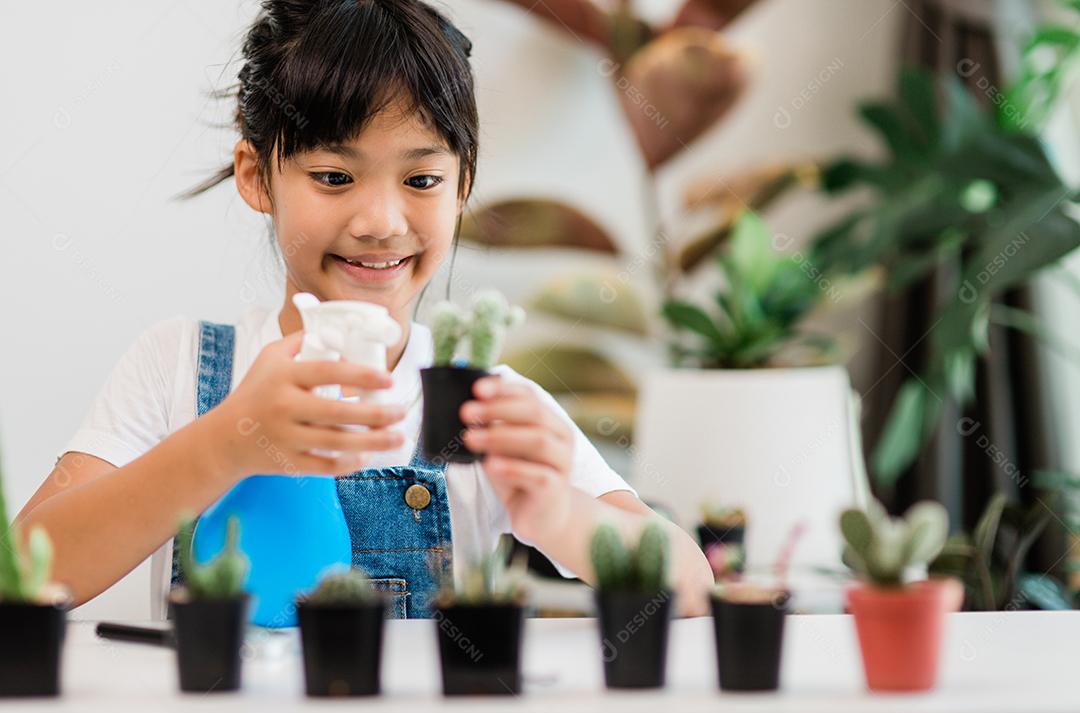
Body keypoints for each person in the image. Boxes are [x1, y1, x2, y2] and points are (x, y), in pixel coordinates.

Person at [17, 0, 712, 619]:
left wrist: (559, 512)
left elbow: (688, 586)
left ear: (462, 186)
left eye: (421, 179)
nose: (380, 220)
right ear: (258, 177)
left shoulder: (483, 403)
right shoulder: (179, 365)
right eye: (333, 177)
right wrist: (223, 443)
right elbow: (21, 573)